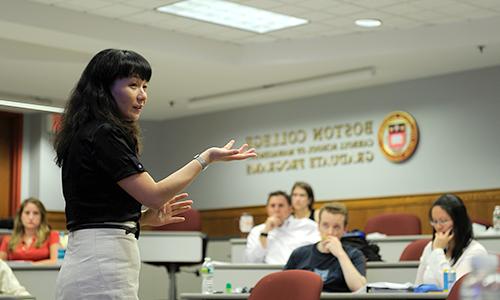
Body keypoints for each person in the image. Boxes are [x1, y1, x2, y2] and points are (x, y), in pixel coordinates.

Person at [52, 49, 256, 300]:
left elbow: (98, 209)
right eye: (133, 85)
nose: (142, 95)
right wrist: (205, 159)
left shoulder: (86, 132)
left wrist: (144, 219)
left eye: (145, 86)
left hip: (93, 257)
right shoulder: (103, 133)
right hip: (101, 263)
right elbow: (155, 195)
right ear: (104, 88)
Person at [285, 203, 367, 292]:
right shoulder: (299, 254)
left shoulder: (354, 255)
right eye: (325, 225)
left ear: (345, 229)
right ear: (318, 225)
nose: (330, 232)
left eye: (336, 227)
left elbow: (360, 289)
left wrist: (340, 254)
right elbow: (282, 286)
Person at [415, 194, 487, 288]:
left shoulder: (476, 252)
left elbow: (453, 289)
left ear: (459, 222)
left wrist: (438, 251)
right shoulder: (430, 247)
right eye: (435, 221)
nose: (438, 227)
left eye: (443, 221)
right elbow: (418, 286)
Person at [245, 191, 319, 264]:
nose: (276, 210)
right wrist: (265, 232)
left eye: (281, 205)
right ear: (267, 209)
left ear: (290, 209)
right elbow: (251, 261)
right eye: (272, 206)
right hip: (270, 273)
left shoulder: (306, 226)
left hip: (299, 271)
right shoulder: (257, 231)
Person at [0, 198, 59, 265]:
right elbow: (1, 264)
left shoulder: (51, 235)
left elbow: (54, 261)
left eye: (36, 213)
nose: (31, 217)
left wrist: (30, 265)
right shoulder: (8, 239)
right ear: (20, 216)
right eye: (27, 213)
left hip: (42, 274)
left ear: (41, 217)